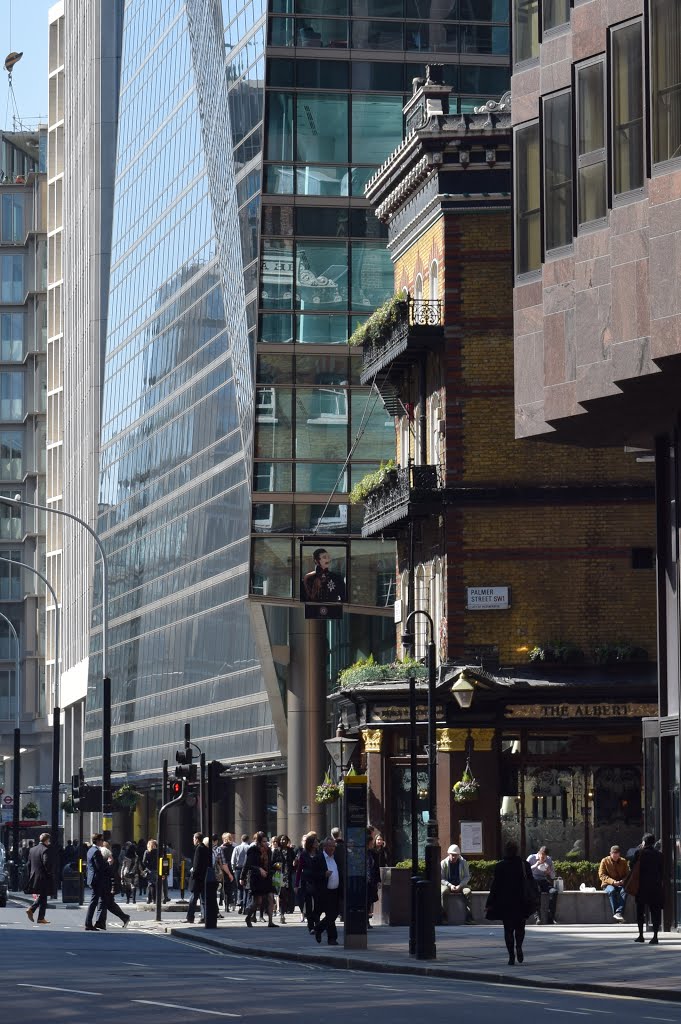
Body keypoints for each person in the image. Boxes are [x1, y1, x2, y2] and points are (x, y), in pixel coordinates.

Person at [486, 840, 538, 965]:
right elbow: (531, 883)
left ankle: (511, 956)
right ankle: (519, 946)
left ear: (506, 851)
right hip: (521, 901)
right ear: (517, 851)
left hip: (506, 902)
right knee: (520, 928)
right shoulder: (524, 865)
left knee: (508, 930)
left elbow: (495, 886)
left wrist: (489, 903)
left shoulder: (500, 866)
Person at [631, 833, 664, 944]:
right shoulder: (659, 855)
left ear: (644, 842)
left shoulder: (639, 853)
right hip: (655, 887)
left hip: (641, 887)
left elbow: (632, 867)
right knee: (655, 911)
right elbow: (662, 871)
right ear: (654, 842)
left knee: (640, 911)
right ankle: (655, 936)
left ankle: (641, 935)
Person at [313, 837, 342, 945]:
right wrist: (323, 875)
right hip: (324, 891)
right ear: (325, 847)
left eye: (334, 846)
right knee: (331, 914)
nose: (333, 849)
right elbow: (312, 875)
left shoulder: (336, 858)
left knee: (334, 914)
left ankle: (319, 929)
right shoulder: (318, 858)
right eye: (330, 846)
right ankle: (332, 938)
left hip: (336, 891)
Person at [244, 831, 276, 927]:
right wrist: (258, 869)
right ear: (258, 842)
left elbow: (270, 863)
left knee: (270, 898)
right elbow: (248, 865)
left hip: (267, 877)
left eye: (266, 841)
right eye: (263, 841)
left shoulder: (268, 850)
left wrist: (274, 867)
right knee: (258, 902)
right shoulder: (253, 850)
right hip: (257, 878)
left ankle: (270, 921)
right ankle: (248, 917)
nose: (265, 843)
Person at [97, 843, 131, 929]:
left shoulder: (110, 858)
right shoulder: (110, 858)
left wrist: (112, 887)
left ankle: (124, 917)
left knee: (107, 903)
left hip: (111, 884)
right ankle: (124, 917)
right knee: (109, 904)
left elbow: (111, 873)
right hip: (112, 883)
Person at [440, 843, 473, 923]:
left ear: (458, 855)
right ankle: (443, 916)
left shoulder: (463, 862)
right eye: (452, 855)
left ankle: (469, 917)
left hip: (460, 884)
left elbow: (467, 876)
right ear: (448, 854)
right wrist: (450, 885)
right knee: (443, 891)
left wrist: (460, 885)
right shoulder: (443, 863)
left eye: (456, 855)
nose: (454, 857)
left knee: (468, 892)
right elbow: (441, 878)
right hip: (448, 884)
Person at [25, 832, 53, 925]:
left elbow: (28, 864)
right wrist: (49, 873)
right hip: (43, 877)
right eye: (49, 840)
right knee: (43, 896)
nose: (49, 842)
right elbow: (46, 863)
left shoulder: (32, 849)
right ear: (47, 840)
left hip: (34, 876)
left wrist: (30, 875)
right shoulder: (45, 850)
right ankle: (32, 910)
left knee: (43, 897)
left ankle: (40, 917)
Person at [527, 845, 557, 924]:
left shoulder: (549, 860)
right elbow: (524, 871)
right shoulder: (531, 858)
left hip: (543, 880)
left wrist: (549, 872)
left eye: (545, 857)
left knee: (553, 892)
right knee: (537, 890)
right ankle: (538, 917)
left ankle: (550, 917)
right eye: (542, 856)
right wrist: (535, 865)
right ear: (539, 853)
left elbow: (553, 876)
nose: (543, 859)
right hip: (533, 880)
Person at [598, 844, 629, 921]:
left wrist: (623, 881)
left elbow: (627, 875)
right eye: (613, 854)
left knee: (624, 891)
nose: (615, 856)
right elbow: (602, 875)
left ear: (619, 854)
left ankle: (618, 913)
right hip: (608, 884)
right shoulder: (604, 861)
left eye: (617, 854)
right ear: (610, 853)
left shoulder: (623, 861)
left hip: (620, 884)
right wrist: (613, 882)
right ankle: (617, 913)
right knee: (612, 891)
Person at [186, 832, 211, 924]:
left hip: (197, 878)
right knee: (203, 899)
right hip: (204, 876)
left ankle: (190, 917)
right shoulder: (206, 849)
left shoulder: (198, 849)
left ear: (197, 839)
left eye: (193, 839)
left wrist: (193, 874)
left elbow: (196, 864)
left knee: (193, 898)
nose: (193, 840)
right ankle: (204, 917)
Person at [85, 834, 107, 931]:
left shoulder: (90, 850)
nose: (102, 841)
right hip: (97, 879)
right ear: (97, 840)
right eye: (101, 840)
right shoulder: (96, 852)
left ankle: (98, 922)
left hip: (92, 878)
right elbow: (100, 867)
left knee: (98, 900)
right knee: (94, 902)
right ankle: (88, 923)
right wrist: (108, 863)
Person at [272, 834, 295, 924]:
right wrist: (279, 866)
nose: (283, 841)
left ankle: (284, 911)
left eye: (284, 840)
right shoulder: (276, 851)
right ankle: (281, 914)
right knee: (280, 895)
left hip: (287, 875)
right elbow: (272, 863)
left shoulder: (290, 851)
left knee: (286, 895)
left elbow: (294, 861)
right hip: (278, 875)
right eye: (281, 840)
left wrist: (294, 862)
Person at [231, 833, 250, 913]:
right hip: (247, 869)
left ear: (241, 840)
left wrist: (233, 869)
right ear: (248, 840)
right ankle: (245, 905)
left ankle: (240, 903)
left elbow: (233, 860)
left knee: (239, 888)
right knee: (246, 888)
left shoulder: (237, 848)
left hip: (238, 869)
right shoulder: (249, 848)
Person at [119, 840, 141, 905]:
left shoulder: (126, 857)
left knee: (127, 887)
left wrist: (121, 874)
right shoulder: (136, 857)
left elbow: (123, 866)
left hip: (126, 873)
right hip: (135, 873)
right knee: (134, 886)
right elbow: (139, 865)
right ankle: (134, 900)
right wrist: (142, 872)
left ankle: (127, 900)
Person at [142, 839, 158, 905]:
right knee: (153, 884)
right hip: (156, 869)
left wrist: (148, 867)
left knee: (151, 884)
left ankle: (151, 899)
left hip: (150, 870)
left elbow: (144, 861)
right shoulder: (158, 852)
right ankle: (151, 899)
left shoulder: (147, 852)